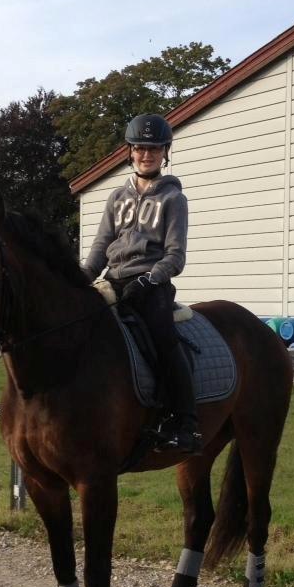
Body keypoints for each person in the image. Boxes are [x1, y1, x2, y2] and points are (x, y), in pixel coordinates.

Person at [82, 113, 202, 454]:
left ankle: (187, 424)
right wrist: (76, 282)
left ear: (165, 152)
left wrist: (150, 280)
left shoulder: (174, 199)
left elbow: (175, 256)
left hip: (151, 283)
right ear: (129, 152)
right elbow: (99, 252)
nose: (145, 154)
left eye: (153, 148)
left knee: (163, 338)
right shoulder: (115, 198)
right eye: (139, 148)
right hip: (113, 281)